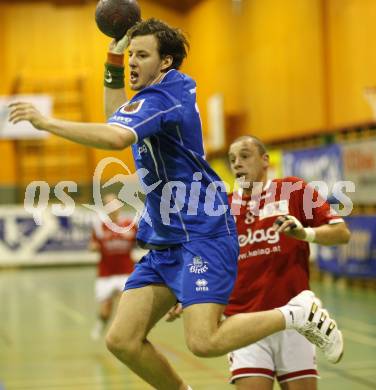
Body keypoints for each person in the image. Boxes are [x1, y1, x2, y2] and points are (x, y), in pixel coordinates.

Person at [8, 18, 344, 390]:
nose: (133, 62)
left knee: (204, 341)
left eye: (142, 55)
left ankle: (296, 313)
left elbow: (116, 136)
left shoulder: (165, 96)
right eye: (131, 54)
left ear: (165, 62)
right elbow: (115, 118)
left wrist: (47, 122)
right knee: (122, 339)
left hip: (201, 232)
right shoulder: (155, 96)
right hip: (167, 238)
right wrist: (113, 60)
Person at [225, 135, 350, 389]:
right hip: (244, 322)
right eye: (232, 159)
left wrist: (304, 233)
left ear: (265, 160)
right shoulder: (223, 207)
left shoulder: (292, 190)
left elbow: (341, 233)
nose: (237, 163)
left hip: (296, 320)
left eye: (245, 156)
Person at [89, 193, 138, 340]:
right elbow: (92, 244)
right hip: (106, 273)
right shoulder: (100, 227)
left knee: (125, 304)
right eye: (107, 204)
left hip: (126, 272)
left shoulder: (129, 225)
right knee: (106, 309)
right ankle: (101, 323)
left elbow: (140, 241)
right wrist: (93, 246)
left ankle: (124, 333)